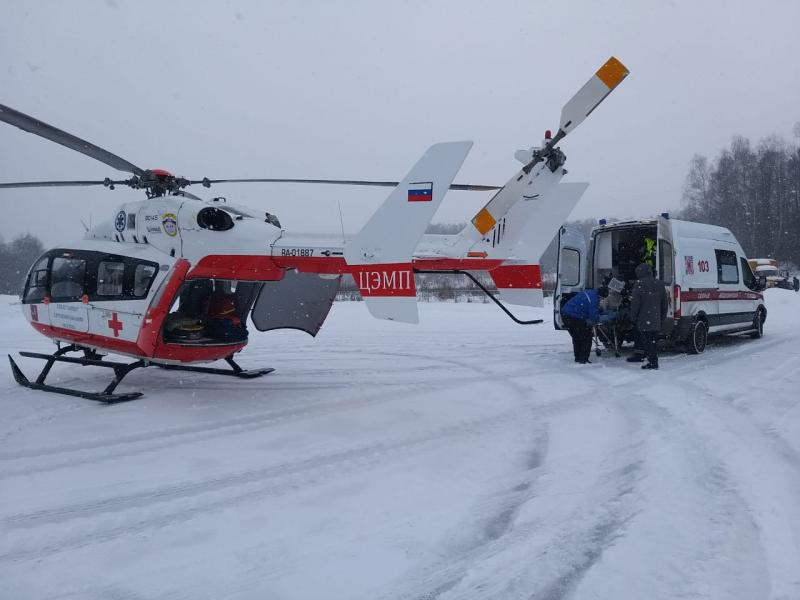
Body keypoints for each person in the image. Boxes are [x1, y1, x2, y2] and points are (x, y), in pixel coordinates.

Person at [627, 263, 668, 370]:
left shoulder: (639, 284)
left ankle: (653, 362)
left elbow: (635, 304)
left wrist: (633, 317)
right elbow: (664, 304)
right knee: (652, 341)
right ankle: (651, 360)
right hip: (656, 318)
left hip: (643, 319)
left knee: (647, 341)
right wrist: (662, 318)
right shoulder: (660, 284)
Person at [561, 287, 609, 364]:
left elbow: (585, 306)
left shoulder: (588, 292)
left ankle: (578, 358)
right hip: (575, 317)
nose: (601, 300)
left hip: (565, 314)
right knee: (586, 338)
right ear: (600, 295)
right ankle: (583, 360)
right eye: (602, 298)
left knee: (577, 337)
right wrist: (604, 316)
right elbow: (594, 318)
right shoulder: (594, 299)